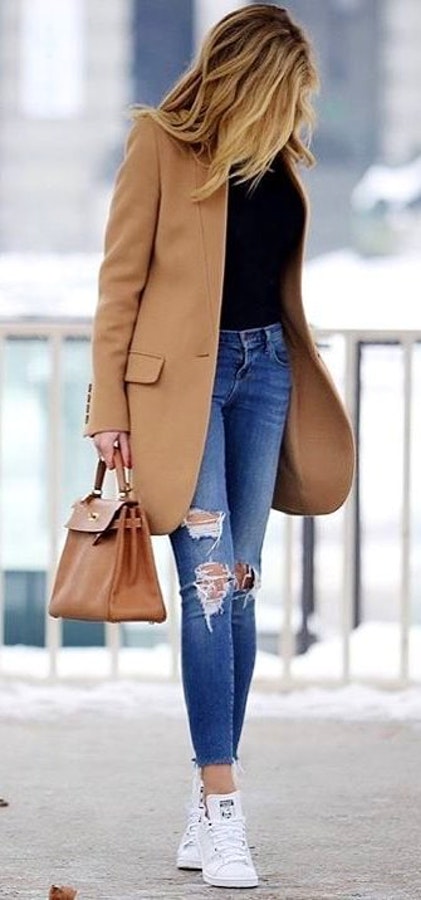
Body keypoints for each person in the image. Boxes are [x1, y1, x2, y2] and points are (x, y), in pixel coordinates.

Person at [84, 3, 354, 889]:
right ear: (255, 78)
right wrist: (107, 409)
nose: (298, 108)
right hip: (178, 397)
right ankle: (227, 802)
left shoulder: (279, 162)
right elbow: (119, 285)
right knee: (205, 587)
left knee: (236, 588)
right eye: (289, 91)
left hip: (263, 375)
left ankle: (206, 801)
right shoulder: (159, 144)